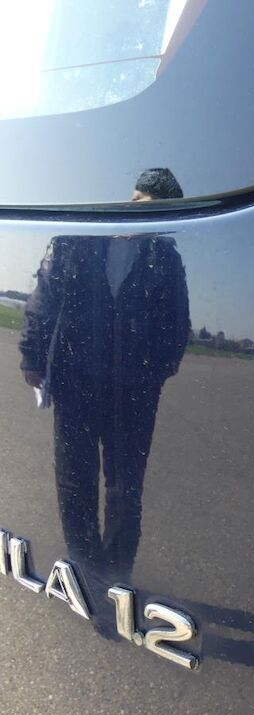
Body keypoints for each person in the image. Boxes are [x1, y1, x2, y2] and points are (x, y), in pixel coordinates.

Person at [19, 169, 190, 577]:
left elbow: (177, 324)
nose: (141, 214)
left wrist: (155, 372)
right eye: (138, 202)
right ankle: (84, 571)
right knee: (74, 482)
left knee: (125, 488)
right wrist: (32, 355)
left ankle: (116, 575)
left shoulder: (166, 258)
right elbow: (45, 297)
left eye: (156, 210)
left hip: (135, 392)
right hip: (76, 380)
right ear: (130, 199)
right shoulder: (78, 239)